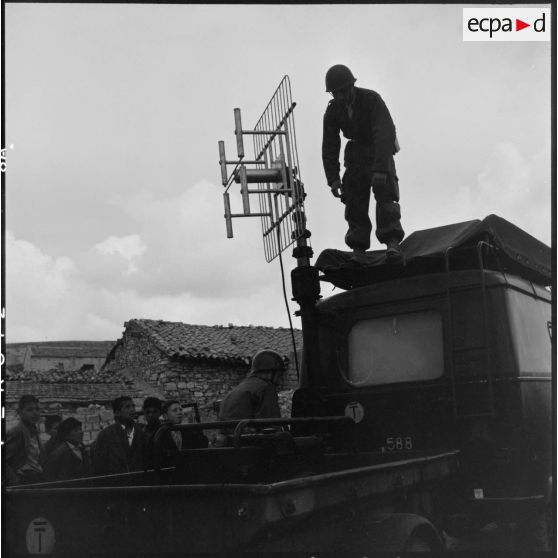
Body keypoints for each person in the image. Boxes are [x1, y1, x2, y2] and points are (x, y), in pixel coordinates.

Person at [322, 64, 404, 264]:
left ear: (351, 86)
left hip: (378, 149)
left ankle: (392, 242)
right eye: (336, 93)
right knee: (354, 200)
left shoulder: (371, 100)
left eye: (343, 91)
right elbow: (330, 145)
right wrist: (333, 179)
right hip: (355, 153)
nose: (341, 96)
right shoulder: (333, 111)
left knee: (385, 194)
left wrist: (381, 169)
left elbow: (384, 134)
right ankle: (358, 249)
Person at [218, 349, 284, 422]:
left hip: (231, 431)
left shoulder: (244, 385)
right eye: (279, 376)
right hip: (246, 431)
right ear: (270, 373)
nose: (279, 381)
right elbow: (272, 422)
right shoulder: (265, 388)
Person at [92, 396, 146, 475]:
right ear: (117, 412)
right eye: (127, 407)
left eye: (133, 406)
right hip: (117, 483)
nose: (132, 409)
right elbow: (99, 465)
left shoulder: (141, 432)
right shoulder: (106, 435)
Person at [6, 395, 45, 485]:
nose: (35, 413)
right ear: (20, 412)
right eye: (30, 410)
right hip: (24, 479)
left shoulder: (34, 431)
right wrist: (15, 481)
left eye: (37, 409)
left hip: (37, 477)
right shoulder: (17, 432)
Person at [43, 417, 90, 481]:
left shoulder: (83, 448)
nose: (80, 432)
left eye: (80, 429)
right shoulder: (59, 453)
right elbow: (50, 475)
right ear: (66, 434)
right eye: (76, 430)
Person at [141, 397, 162, 469]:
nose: (151, 415)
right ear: (144, 413)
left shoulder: (165, 430)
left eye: (154, 412)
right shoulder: (141, 433)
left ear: (160, 413)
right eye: (147, 412)